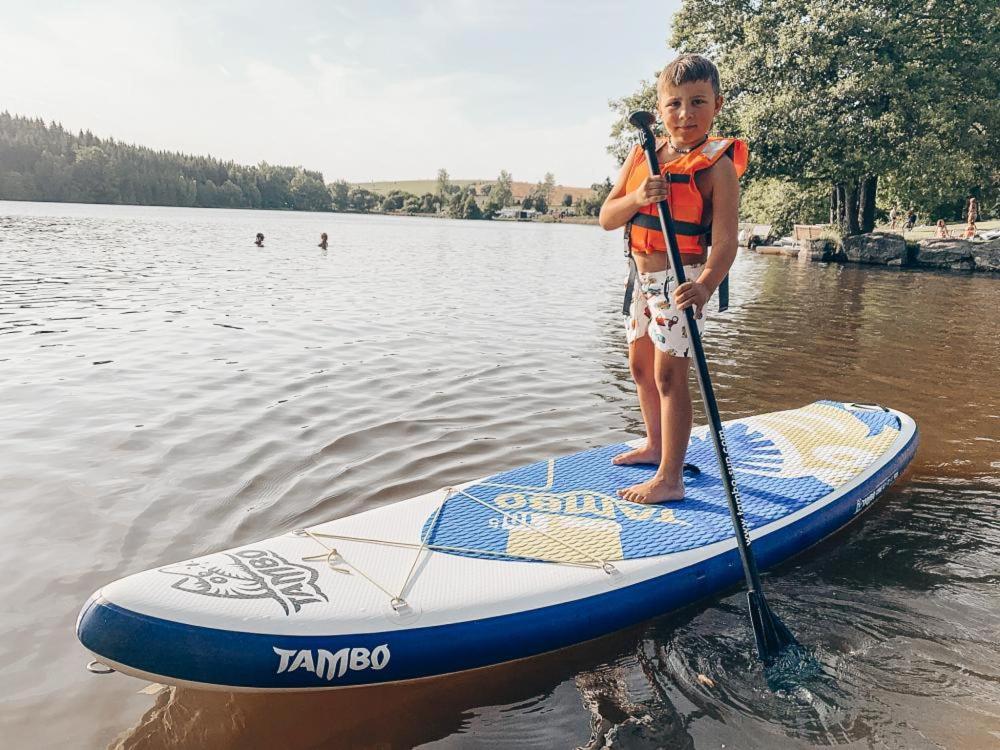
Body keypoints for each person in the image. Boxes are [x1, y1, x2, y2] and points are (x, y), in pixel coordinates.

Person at [599, 54, 745, 504]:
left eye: (698, 102)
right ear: (659, 110)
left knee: (669, 378)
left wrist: (704, 285)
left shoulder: (717, 167)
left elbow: (725, 243)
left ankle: (671, 478)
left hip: (678, 284)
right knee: (640, 368)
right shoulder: (643, 155)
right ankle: (655, 443)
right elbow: (607, 216)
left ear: (716, 105)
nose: (686, 114)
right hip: (639, 281)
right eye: (675, 104)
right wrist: (639, 196)